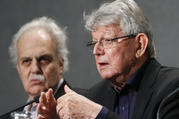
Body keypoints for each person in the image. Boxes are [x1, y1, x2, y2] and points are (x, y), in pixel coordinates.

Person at [37, 0, 179, 119]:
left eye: (108, 40)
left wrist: (98, 115)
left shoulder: (173, 87)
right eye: (94, 43)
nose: (96, 51)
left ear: (140, 45)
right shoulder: (95, 95)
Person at [5, 16, 69, 119]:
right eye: (26, 61)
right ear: (18, 68)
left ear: (60, 64)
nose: (35, 69)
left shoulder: (84, 106)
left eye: (43, 59)